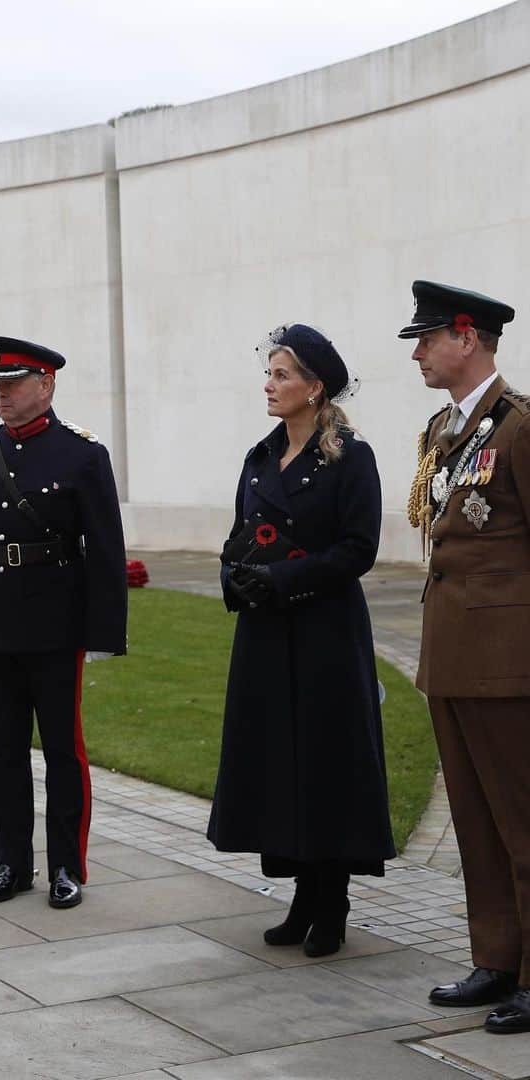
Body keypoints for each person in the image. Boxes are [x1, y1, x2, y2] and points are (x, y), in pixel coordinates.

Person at [207, 323, 396, 958]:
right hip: (265, 633)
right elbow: (240, 533)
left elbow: (358, 549)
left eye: (283, 375)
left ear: (315, 388)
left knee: (325, 763)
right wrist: (237, 580)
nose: (270, 383)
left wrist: (282, 579)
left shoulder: (352, 457)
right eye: (270, 372)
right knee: (278, 762)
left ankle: (331, 902)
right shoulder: (260, 457)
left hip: (325, 633)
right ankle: (300, 896)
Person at [0, 335, 128, 909]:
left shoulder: (81, 455)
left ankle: (66, 865)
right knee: (4, 751)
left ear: (46, 385)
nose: (3, 393)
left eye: (14, 382)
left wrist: (103, 632)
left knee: (62, 750)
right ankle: (11, 864)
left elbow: (104, 548)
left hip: (55, 621)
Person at [401, 280, 530, 1035]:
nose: (417, 352)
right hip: (452, 653)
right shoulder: (447, 429)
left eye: (425, 339)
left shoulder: (517, 427)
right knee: (475, 821)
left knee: (522, 818)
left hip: (508, 657)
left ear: (467, 337)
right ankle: (498, 959)